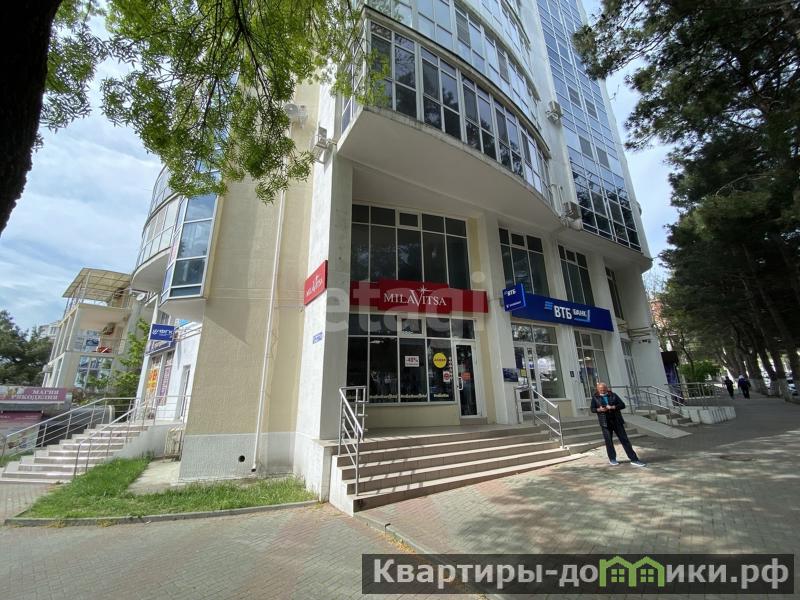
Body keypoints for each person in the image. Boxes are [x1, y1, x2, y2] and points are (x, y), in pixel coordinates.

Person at [590, 382, 646, 467]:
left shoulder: (613, 395)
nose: (603, 391)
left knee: (624, 440)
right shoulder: (595, 398)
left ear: (606, 388)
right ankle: (612, 459)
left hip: (617, 421)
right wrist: (599, 409)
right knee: (609, 441)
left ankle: (634, 459)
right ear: (598, 389)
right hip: (605, 423)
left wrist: (613, 407)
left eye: (604, 389)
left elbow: (622, 405)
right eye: (601, 390)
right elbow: (592, 409)